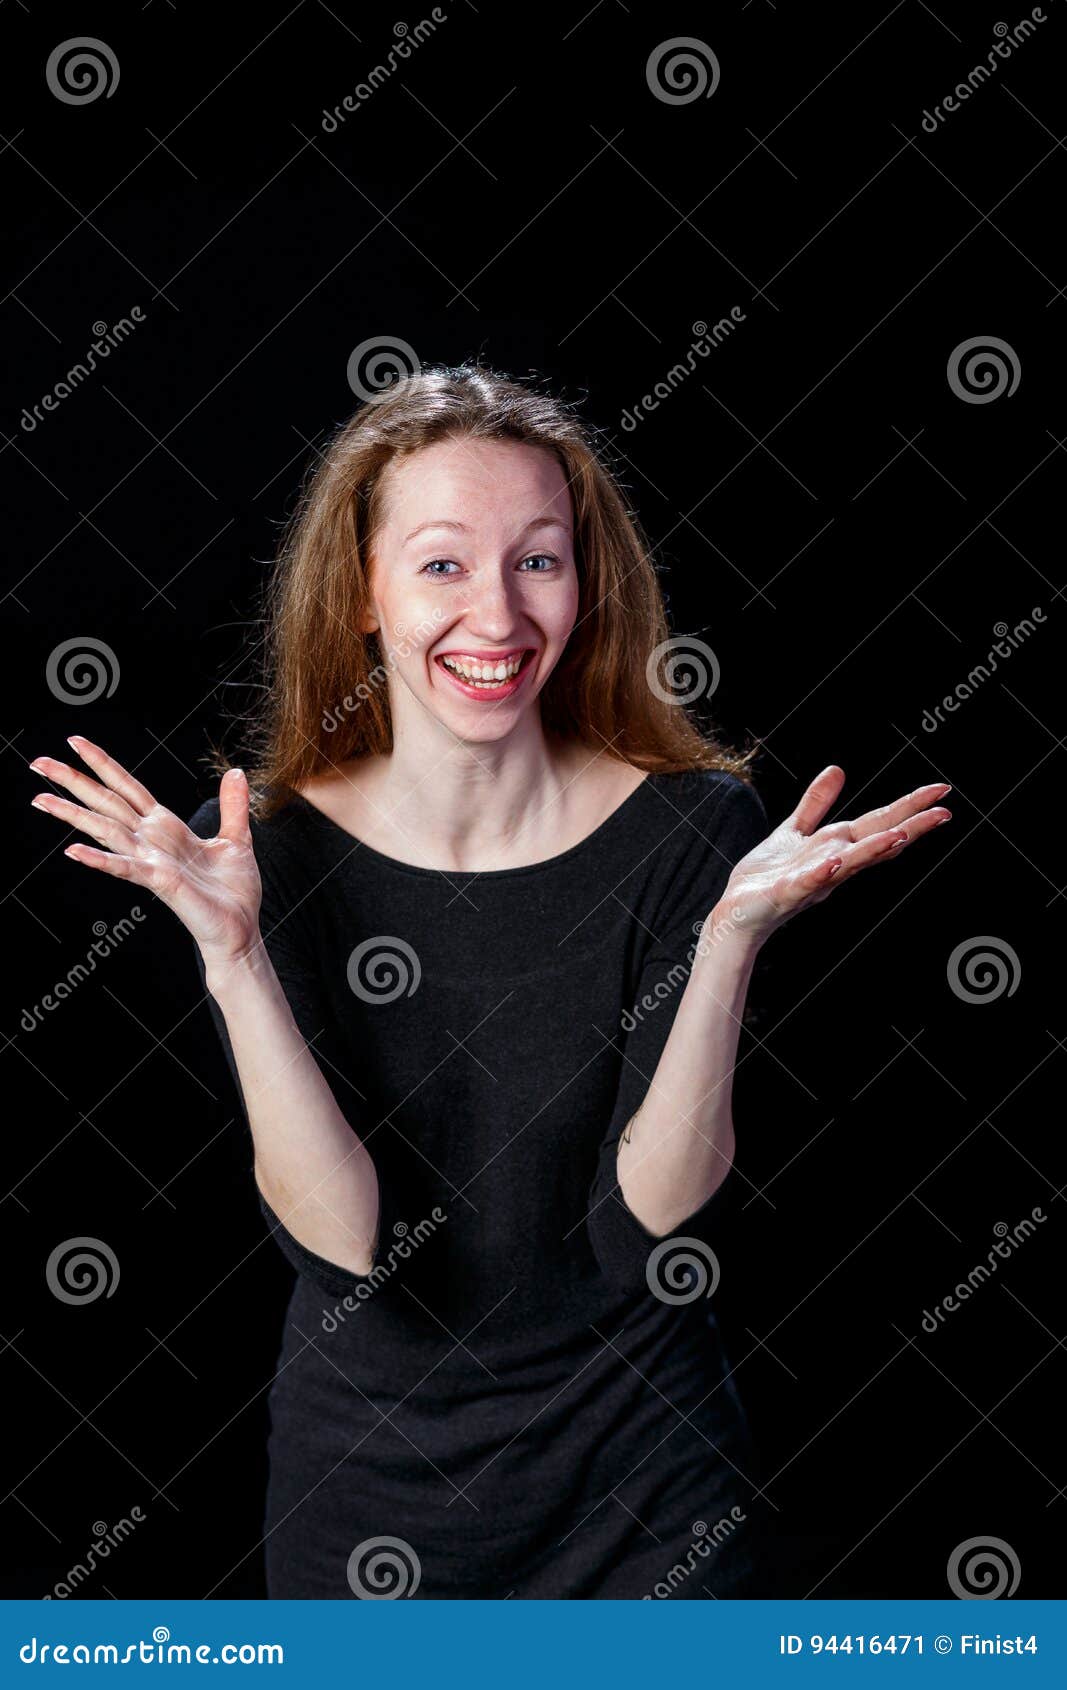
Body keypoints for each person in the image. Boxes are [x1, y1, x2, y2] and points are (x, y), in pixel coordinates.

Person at [28, 365, 951, 1598]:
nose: (498, 619)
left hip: (645, 1487)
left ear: (584, 582)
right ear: (362, 592)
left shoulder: (691, 832)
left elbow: (648, 1227)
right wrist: (236, 956)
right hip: (365, 1494)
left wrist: (727, 937)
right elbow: (350, 1248)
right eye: (442, 564)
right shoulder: (261, 853)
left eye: (536, 560)